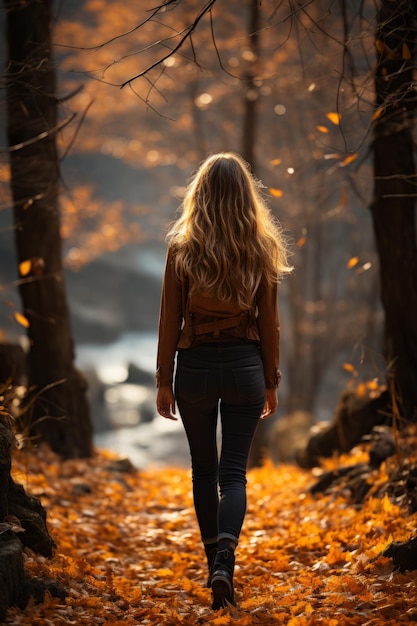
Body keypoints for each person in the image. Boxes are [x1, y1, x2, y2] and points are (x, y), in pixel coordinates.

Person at [156, 152, 292, 610]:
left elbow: (169, 320)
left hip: (193, 368)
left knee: (203, 470)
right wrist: (271, 380)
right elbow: (269, 322)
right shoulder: (261, 247)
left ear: (201, 194)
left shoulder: (182, 246)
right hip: (244, 369)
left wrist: (163, 380)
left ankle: (214, 560)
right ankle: (225, 564)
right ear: (245, 197)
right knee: (234, 474)